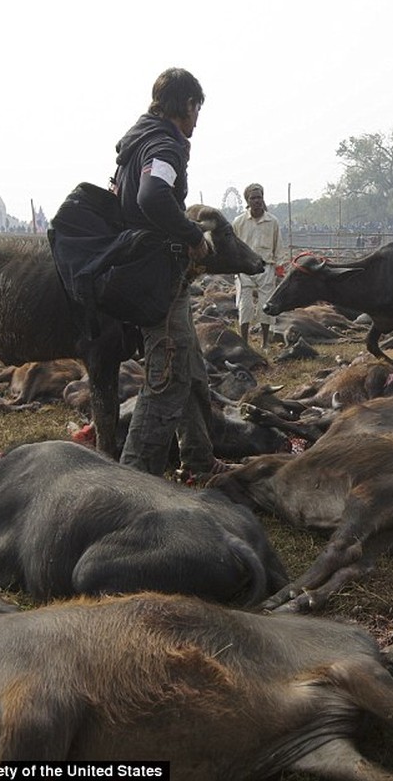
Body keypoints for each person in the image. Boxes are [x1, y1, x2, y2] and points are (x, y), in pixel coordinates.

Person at [112, 67, 223, 481]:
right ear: (188, 104)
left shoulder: (138, 142)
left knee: (190, 363)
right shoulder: (165, 145)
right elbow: (154, 196)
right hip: (158, 276)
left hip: (153, 274)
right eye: (197, 109)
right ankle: (132, 481)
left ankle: (197, 457)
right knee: (168, 374)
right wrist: (193, 235)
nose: (197, 120)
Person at [232, 183, 282, 349]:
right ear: (247, 200)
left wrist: (279, 268)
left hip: (266, 267)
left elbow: (278, 246)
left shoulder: (272, 221)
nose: (257, 201)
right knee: (245, 307)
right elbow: (233, 246)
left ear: (263, 198)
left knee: (265, 307)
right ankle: (244, 344)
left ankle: (265, 343)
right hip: (245, 269)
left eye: (259, 197)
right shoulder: (239, 222)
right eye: (253, 198)